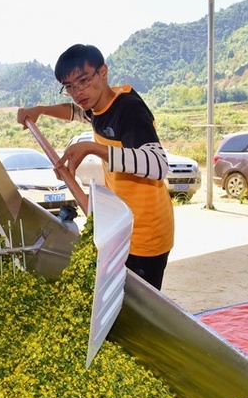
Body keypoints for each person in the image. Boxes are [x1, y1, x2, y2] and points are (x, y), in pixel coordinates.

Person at [16, 44, 174, 290]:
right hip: (120, 225)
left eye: (83, 81)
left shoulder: (129, 110)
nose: (78, 92)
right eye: (69, 87)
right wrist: (41, 111)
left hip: (145, 234)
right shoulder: (96, 107)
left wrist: (92, 148)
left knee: (137, 308)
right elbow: (75, 112)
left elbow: (158, 165)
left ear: (103, 72)